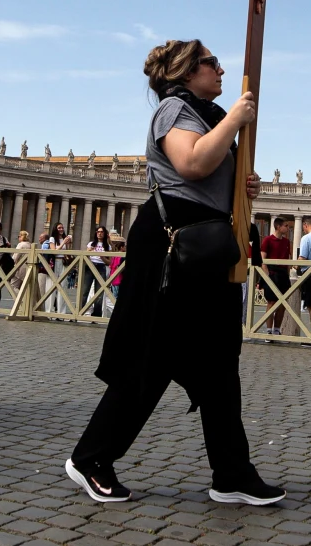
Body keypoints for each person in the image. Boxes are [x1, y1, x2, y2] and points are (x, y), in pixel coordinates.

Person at [67, 38, 284, 505]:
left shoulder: (207, 118)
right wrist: (235, 120)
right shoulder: (174, 110)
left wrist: (243, 185)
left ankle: (231, 473)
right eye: (212, 63)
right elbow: (190, 163)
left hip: (204, 249)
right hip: (173, 249)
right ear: (187, 73)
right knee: (152, 357)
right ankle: (91, 458)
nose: (221, 70)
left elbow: (210, 176)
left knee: (220, 363)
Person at [259, 217, 292, 336]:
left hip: (283, 275)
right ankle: (268, 331)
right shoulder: (267, 240)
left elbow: (287, 260)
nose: (288, 228)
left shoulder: (287, 242)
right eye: (286, 226)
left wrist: (288, 275)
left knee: (282, 303)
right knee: (271, 302)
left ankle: (277, 329)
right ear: (278, 227)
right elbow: (262, 259)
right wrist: (267, 276)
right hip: (272, 274)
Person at [85, 225, 112, 317]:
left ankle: (96, 314)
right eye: (98, 232)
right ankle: (80, 311)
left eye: (101, 232)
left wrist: (102, 257)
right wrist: (87, 252)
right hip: (90, 266)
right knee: (85, 290)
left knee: (99, 293)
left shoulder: (107, 246)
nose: (99, 233)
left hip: (101, 267)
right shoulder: (90, 244)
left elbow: (109, 262)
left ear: (104, 234)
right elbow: (85, 258)